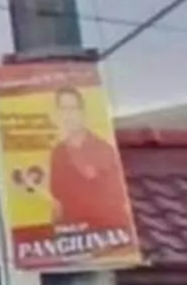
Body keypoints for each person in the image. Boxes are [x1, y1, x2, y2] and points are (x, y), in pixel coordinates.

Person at [45, 85, 133, 236]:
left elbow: (118, 199)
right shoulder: (58, 154)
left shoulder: (104, 149)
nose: (69, 115)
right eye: (64, 109)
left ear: (82, 112)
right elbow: (57, 205)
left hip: (106, 235)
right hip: (73, 239)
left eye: (73, 109)